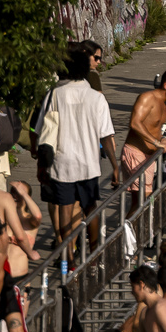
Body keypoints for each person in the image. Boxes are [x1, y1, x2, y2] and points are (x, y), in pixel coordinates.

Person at [44, 48, 117, 249]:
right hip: (88, 163)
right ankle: (93, 253)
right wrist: (115, 166)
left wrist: (42, 166)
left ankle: (67, 255)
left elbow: (44, 129)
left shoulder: (55, 94)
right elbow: (107, 136)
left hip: (62, 162)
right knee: (90, 206)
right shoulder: (96, 98)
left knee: (65, 208)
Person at [121, 69, 166, 204]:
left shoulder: (164, 101)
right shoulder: (148, 98)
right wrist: (156, 142)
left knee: (140, 205)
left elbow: (154, 127)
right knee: (144, 203)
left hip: (149, 156)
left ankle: (130, 225)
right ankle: (131, 225)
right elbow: (135, 123)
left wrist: (162, 139)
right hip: (136, 153)